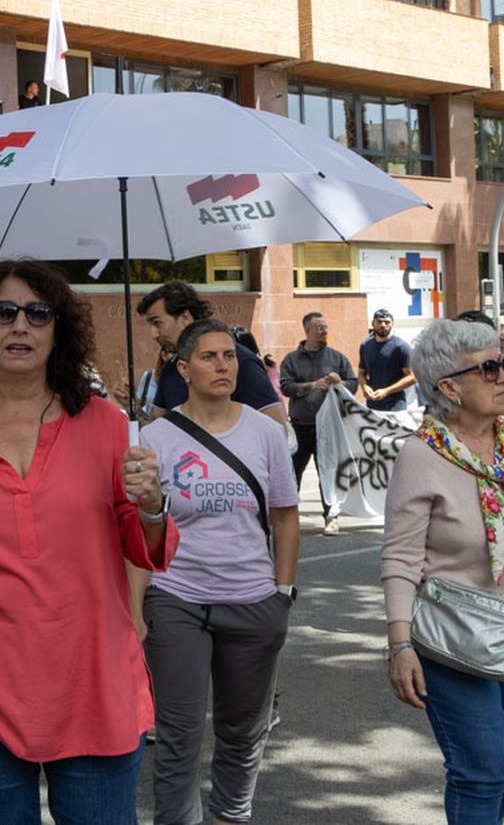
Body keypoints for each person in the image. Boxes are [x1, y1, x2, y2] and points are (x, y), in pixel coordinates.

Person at [0, 259, 176, 824]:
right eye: (4, 312)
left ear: (58, 329)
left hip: (93, 680)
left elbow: (145, 550)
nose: (20, 326)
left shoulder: (107, 425)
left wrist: (151, 505)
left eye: (38, 313)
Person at [383, 319, 504, 825]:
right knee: (479, 771)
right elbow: (401, 560)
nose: (502, 375)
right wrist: (400, 645)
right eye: (488, 368)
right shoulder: (421, 456)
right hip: (455, 641)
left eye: (502, 363)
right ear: (448, 387)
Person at [137, 320, 299, 824]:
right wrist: (146, 504)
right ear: (182, 368)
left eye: (229, 356)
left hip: (253, 601)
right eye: (209, 357)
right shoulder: (154, 437)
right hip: (176, 599)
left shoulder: (266, 432)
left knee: (243, 732)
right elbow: (148, 540)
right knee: (178, 735)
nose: (224, 365)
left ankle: (231, 815)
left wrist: (282, 594)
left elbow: (285, 516)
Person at [137, 282, 285, 427]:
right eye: (208, 358)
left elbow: (276, 429)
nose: (154, 334)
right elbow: (157, 424)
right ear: (183, 368)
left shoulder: (242, 361)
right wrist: (132, 408)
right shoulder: (170, 368)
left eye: (157, 323)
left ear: (185, 318)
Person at [279, 312, 358, 534]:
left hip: (330, 428)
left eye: (325, 327)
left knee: (329, 472)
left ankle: (331, 517)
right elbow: (285, 387)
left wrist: (339, 382)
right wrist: (312, 386)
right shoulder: (292, 359)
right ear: (307, 331)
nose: (324, 332)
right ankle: (289, 518)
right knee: (293, 472)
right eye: (319, 328)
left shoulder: (337, 357)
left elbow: (353, 384)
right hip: (301, 425)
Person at [358, 308, 415, 411]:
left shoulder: (401, 347)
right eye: (379, 322)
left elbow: (412, 377)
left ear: (392, 324)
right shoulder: (365, 346)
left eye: (387, 322)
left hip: (395, 406)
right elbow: (361, 373)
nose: (383, 325)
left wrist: (387, 391)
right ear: (373, 324)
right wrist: (364, 387)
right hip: (372, 405)